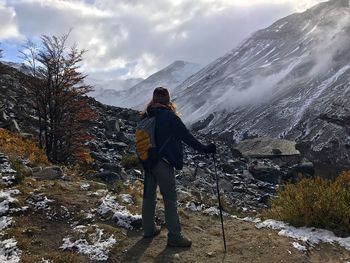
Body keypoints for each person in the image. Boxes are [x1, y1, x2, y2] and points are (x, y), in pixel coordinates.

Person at [141, 87, 216, 247]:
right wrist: (206, 149)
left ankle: (148, 229)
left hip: (147, 162)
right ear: (168, 100)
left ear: (153, 100)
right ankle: (174, 236)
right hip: (164, 163)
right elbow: (187, 138)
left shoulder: (146, 116)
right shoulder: (170, 117)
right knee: (170, 200)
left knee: (149, 197)